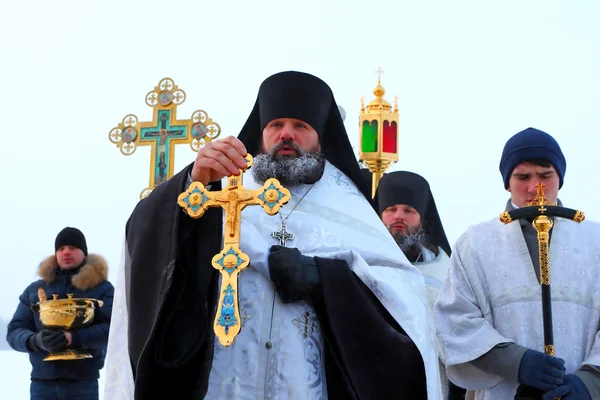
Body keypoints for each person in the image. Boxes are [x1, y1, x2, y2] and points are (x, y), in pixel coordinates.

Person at [104, 71, 442, 399]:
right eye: (276, 125)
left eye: (300, 126)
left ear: (320, 135)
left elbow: (403, 296)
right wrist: (192, 179)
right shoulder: (225, 186)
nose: (286, 135)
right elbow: (146, 232)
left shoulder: (349, 204)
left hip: (307, 381)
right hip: (226, 377)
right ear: (262, 133)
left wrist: (322, 278)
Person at [434, 127, 600, 400]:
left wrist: (590, 383)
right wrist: (515, 361)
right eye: (522, 176)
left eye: (546, 175)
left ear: (560, 178)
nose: (535, 187)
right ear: (507, 182)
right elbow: (455, 320)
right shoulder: (475, 244)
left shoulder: (596, 241)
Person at [374, 171, 465, 400]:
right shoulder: (361, 261)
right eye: (391, 210)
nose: (399, 217)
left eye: (408, 211)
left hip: (430, 379)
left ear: (422, 217)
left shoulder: (445, 268)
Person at [7, 227, 114, 400]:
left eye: (73, 247)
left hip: (82, 385)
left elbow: (112, 330)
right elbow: (14, 331)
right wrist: (36, 341)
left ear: (84, 253)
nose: (66, 252)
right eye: (61, 248)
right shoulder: (35, 290)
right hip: (41, 384)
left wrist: (74, 338)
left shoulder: (102, 289)